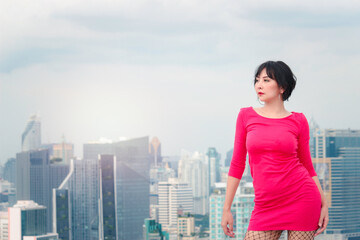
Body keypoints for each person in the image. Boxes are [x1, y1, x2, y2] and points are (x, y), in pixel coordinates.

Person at [221, 61, 329, 240]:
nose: (259, 85)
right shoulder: (246, 116)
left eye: (266, 80)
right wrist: (226, 209)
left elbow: (307, 166)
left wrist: (324, 204)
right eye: (257, 80)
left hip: (302, 198)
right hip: (265, 206)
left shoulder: (299, 121)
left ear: (282, 87)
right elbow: (237, 164)